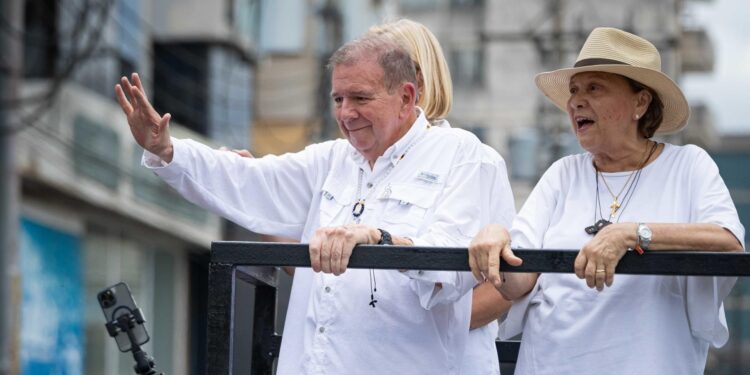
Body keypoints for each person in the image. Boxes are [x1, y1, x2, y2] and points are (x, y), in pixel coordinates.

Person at [116, 35, 484, 374]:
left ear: (406, 97)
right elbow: (250, 180)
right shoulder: (330, 160)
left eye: (360, 98)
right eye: (338, 100)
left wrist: (380, 240)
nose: (346, 114)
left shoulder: (463, 157)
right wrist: (167, 150)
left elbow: (453, 268)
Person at [468, 27, 745, 375]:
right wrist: (496, 241)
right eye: (573, 91)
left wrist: (632, 234)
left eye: (594, 88)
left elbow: (728, 242)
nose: (575, 102)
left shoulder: (688, 165)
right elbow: (520, 278)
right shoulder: (563, 173)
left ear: (640, 103)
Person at [369, 19, 514, 375]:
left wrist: (420, 332)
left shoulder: (471, 156)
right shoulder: (359, 163)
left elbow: (504, 285)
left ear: (415, 82)